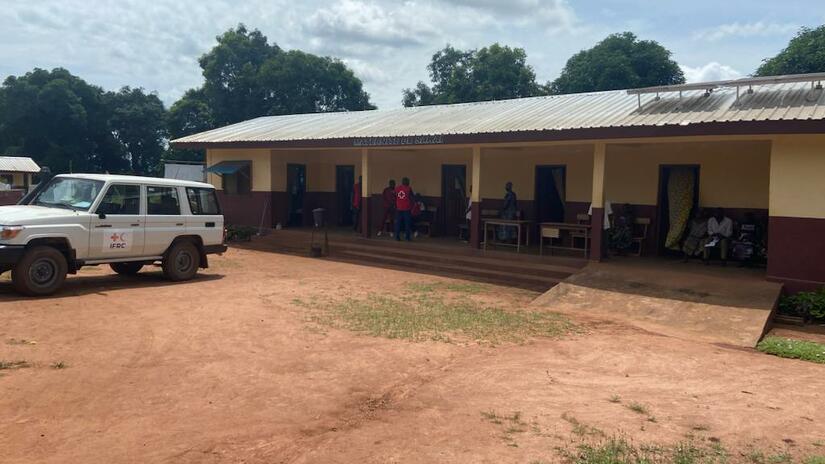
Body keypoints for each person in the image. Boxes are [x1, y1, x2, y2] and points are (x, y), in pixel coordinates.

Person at [394, 177, 414, 241]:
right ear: (407, 182)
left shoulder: (397, 188)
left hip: (399, 208)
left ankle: (397, 236)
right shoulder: (408, 189)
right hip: (406, 208)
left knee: (398, 223)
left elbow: (394, 196)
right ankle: (407, 237)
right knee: (407, 223)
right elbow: (412, 197)